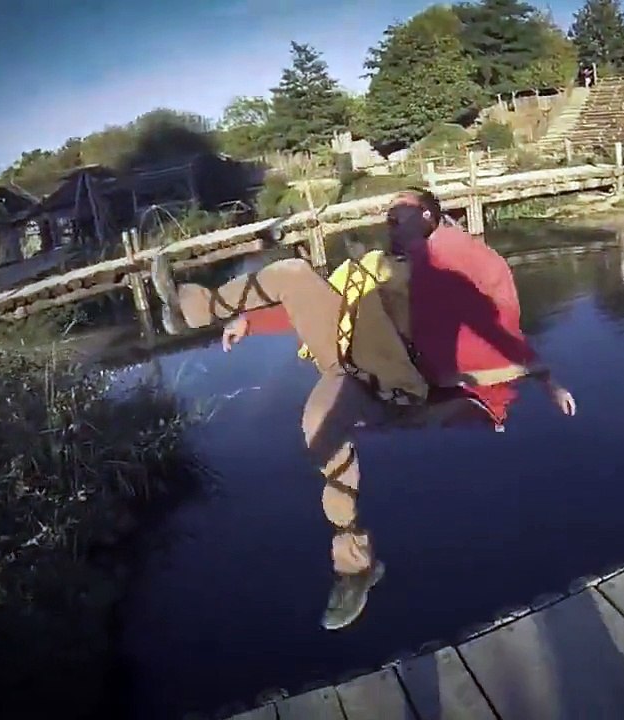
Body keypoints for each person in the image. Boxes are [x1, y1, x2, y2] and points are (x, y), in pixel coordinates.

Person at [148, 189, 577, 630]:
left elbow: (496, 323)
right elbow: (331, 306)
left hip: (393, 380)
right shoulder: (382, 269)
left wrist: (547, 378)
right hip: (349, 355)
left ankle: (353, 566)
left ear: (428, 215)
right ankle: (190, 309)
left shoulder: (451, 264)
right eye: (386, 214)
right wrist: (252, 321)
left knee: (319, 424)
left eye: (399, 214)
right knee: (294, 273)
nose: (387, 220)